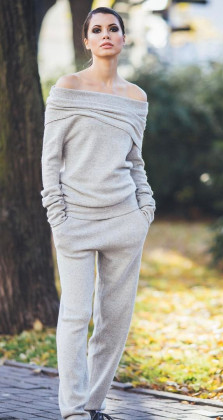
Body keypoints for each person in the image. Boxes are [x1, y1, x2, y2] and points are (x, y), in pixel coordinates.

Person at [40, 7, 155, 420]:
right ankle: (72, 409)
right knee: (76, 315)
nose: (106, 34)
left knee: (115, 321)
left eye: (113, 28)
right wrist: (57, 213)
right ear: (86, 40)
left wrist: (145, 207)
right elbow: (50, 158)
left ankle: (93, 404)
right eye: (97, 30)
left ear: (123, 38)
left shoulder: (136, 98)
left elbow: (135, 161)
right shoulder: (68, 87)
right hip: (75, 220)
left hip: (125, 220)